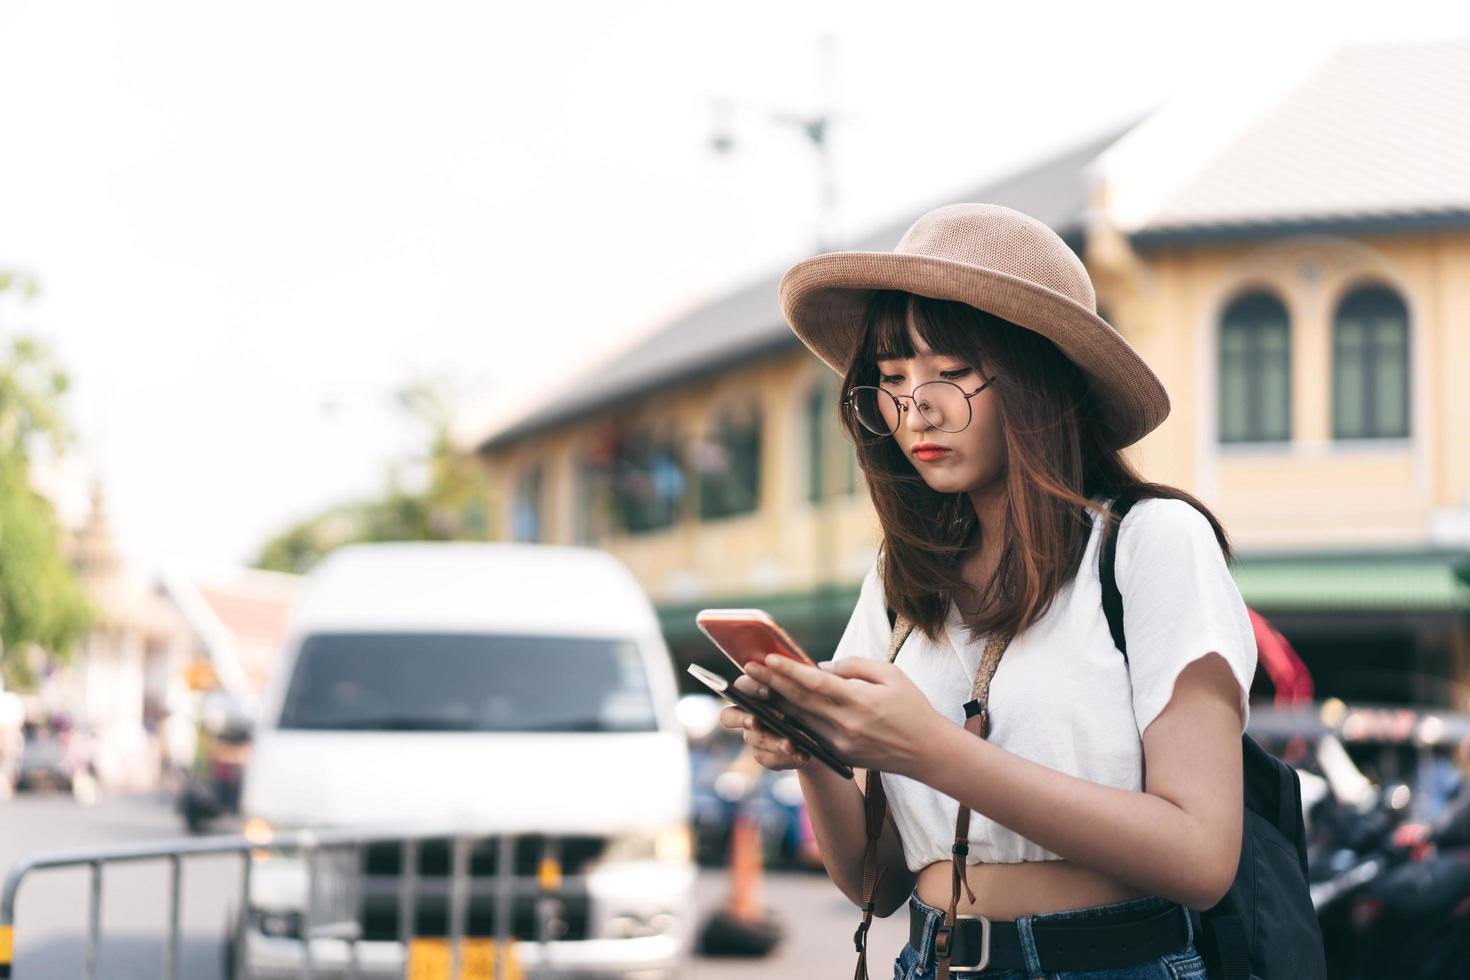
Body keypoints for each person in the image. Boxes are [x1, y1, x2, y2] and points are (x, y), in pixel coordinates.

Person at [719, 204, 1256, 979]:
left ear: (1034, 375)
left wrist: (929, 750)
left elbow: (1203, 855)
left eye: (953, 371)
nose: (917, 409)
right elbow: (876, 882)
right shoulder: (903, 576)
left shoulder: (1151, 540)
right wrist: (813, 752)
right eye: (893, 380)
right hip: (929, 959)